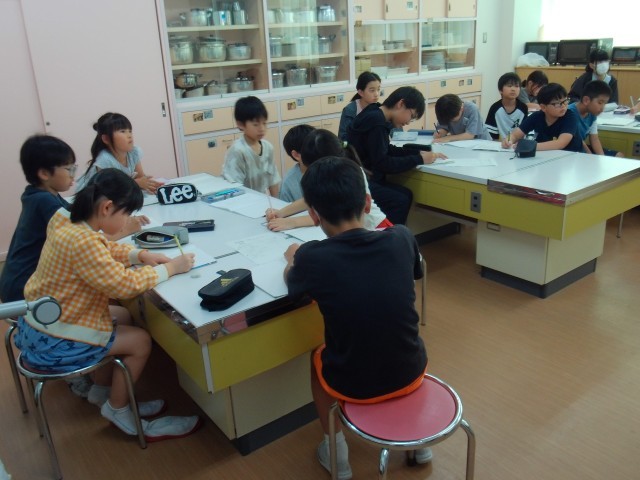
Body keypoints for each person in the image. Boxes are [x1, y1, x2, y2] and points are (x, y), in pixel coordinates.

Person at [14, 168, 202, 441]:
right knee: (140, 341)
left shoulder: (65, 217)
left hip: (41, 321)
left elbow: (101, 249)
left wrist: (139, 255)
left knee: (122, 316)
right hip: (56, 338)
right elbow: (123, 284)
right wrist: (170, 268)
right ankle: (118, 409)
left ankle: (102, 392)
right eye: (126, 214)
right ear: (107, 207)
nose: (127, 221)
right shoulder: (83, 241)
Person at [283, 156, 429, 479]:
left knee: (316, 358)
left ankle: (337, 454)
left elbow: (294, 288)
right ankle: (419, 440)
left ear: (313, 215)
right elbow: (412, 272)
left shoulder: (312, 258)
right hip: (411, 369)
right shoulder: (402, 237)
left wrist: (293, 259)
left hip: (353, 383)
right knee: (401, 336)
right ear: (366, 202)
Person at [347, 86, 447, 225]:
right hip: (359, 181)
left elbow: (387, 149)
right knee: (400, 199)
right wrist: (419, 159)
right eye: (411, 116)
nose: (408, 122)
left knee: (405, 194)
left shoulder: (375, 113)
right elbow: (383, 163)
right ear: (401, 104)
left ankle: (390, 233)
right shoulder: (377, 122)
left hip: (360, 175)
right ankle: (389, 236)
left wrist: (417, 153)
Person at [267, 128, 390, 232]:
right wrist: (281, 213)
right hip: (355, 233)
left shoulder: (349, 174)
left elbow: (330, 215)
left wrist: (291, 222)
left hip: (375, 228)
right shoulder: (333, 172)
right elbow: (311, 199)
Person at [76, 112, 163, 194]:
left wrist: (150, 185)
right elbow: (107, 189)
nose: (129, 135)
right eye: (123, 131)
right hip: (92, 196)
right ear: (106, 139)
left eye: (130, 131)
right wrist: (136, 183)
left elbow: (140, 177)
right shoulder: (105, 159)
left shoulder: (134, 152)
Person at [222, 95, 281, 197]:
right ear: (240, 124)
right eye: (255, 124)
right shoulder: (237, 150)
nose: (262, 128)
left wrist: (278, 203)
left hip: (262, 200)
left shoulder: (268, 147)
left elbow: (273, 180)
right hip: (242, 201)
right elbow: (235, 188)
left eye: (264, 123)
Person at [502, 83, 582, 152]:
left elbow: (560, 143)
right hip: (545, 157)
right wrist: (509, 140)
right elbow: (516, 135)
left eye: (565, 101)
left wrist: (530, 146)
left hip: (570, 158)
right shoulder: (537, 116)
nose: (563, 106)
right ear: (543, 107)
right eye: (558, 104)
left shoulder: (570, 117)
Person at [568, 80, 623, 157]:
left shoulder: (592, 113)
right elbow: (579, 141)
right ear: (586, 100)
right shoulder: (570, 113)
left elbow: (594, 139)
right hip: (571, 150)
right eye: (600, 103)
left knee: (619, 155)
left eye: (605, 103)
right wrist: (591, 157)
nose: (602, 108)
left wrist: (602, 157)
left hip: (581, 147)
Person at [337, 71, 381, 141]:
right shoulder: (350, 110)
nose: (376, 94)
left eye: (378, 89)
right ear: (361, 92)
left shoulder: (380, 108)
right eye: (372, 90)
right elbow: (343, 139)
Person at [485, 72, 529, 140]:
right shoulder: (495, 108)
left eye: (516, 86)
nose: (513, 89)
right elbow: (490, 135)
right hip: (499, 144)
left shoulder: (523, 108)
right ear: (500, 90)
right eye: (509, 86)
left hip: (518, 144)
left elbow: (525, 131)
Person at [279, 124, 315, 203]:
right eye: (311, 148)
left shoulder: (328, 169)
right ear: (296, 155)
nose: (318, 150)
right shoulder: (289, 184)